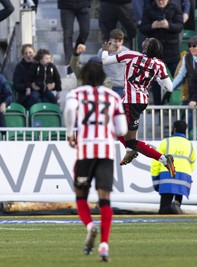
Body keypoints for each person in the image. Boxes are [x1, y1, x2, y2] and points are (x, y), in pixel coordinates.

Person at [64, 61, 128, 262]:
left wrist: (70, 132)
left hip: (85, 151)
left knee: (81, 196)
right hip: (106, 151)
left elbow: (69, 111)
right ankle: (104, 244)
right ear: (103, 77)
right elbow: (122, 130)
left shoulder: (76, 94)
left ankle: (91, 227)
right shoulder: (113, 96)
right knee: (105, 199)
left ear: (83, 76)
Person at [101, 37, 176, 177]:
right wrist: (157, 78)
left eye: (148, 40)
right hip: (140, 101)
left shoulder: (131, 55)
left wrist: (105, 51)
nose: (146, 38)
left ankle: (162, 158)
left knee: (130, 139)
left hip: (131, 102)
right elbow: (170, 88)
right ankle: (131, 150)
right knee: (116, 128)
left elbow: (105, 61)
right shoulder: (158, 64)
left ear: (146, 47)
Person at [139, 0, 184, 104]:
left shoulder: (175, 7)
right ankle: (159, 106)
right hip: (155, 51)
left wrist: (168, 25)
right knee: (155, 80)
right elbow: (142, 28)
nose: (160, 1)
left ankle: (171, 99)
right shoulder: (149, 8)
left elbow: (179, 26)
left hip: (172, 50)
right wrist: (152, 26)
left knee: (177, 77)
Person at [150, 120, 196, 214]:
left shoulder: (166, 142)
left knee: (163, 209)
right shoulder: (190, 145)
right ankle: (176, 206)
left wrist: (155, 179)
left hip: (167, 177)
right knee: (176, 206)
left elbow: (156, 161)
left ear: (174, 129)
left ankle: (172, 209)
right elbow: (192, 165)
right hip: (183, 179)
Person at [57, 0, 91, 75]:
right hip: (66, 5)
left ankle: (75, 54)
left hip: (84, 4)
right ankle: (70, 63)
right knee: (67, 34)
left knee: (85, 31)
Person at [96, 28, 129, 98]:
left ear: (122, 41)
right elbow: (97, 68)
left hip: (121, 86)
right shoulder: (102, 51)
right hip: (106, 85)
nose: (117, 44)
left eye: (120, 41)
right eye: (115, 41)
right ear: (110, 40)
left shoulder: (126, 52)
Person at [13, 44, 36, 109]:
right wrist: (30, 86)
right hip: (25, 96)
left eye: (30, 52)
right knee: (36, 100)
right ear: (23, 55)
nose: (28, 55)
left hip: (39, 94)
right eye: (25, 53)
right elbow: (16, 85)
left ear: (34, 53)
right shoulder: (19, 67)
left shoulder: (38, 65)